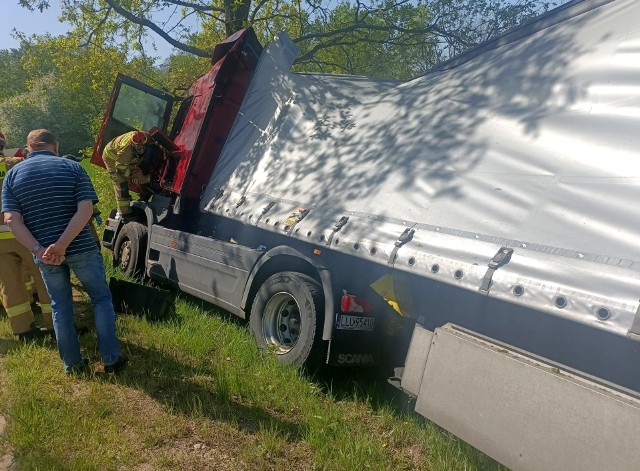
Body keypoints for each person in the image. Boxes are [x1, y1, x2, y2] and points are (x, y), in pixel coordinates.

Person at [2, 129, 127, 374]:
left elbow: (11, 221)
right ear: (55, 146)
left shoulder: (13, 175)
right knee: (101, 300)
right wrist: (63, 244)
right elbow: (86, 210)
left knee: (60, 306)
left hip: (45, 256)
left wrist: (39, 249)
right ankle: (111, 360)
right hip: (81, 248)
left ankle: (73, 365)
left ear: (28, 149)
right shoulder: (72, 168)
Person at [0, 131, 54, 340]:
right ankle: (54, 325)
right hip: (21, 233)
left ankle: (23, 330)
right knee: (44, 278)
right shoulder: (15, 163)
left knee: (10, 283)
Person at [101, 130, 162, 218]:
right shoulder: (125, 150)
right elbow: (120, 169)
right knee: (120, 182)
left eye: (143, 146)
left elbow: (155, 141)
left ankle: (145, 193)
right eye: (138, 148)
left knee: (139, 167)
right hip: (111, 158)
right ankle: (125, 214)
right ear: (133, 144)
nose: (141, 149)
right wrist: (132, 176)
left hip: (123, 158)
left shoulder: (145, 136)